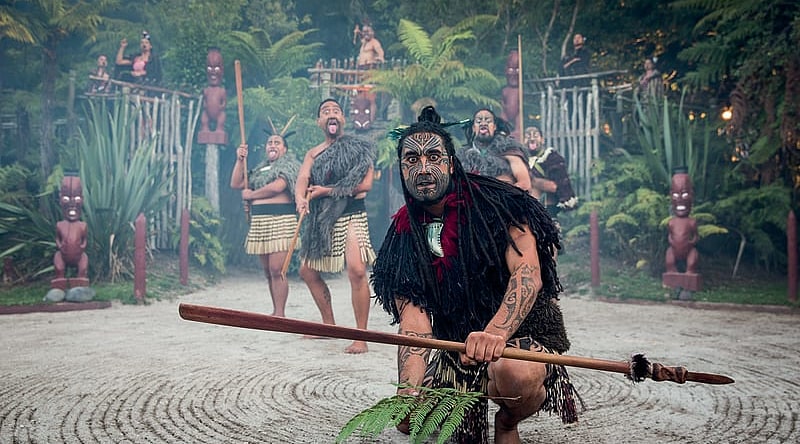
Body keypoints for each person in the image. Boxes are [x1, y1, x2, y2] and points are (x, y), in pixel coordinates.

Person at [372, 106, 581, 443]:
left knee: (514, 374)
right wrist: (407, 391)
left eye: (433, 156)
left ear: (451, 164)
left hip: (520, 337)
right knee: (409, 418)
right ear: (401, 169)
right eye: (411, 159)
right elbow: (414, 322)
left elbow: (527, 274)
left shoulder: (499, 204)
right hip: (458, 348)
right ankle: (446, 394)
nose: (423, 168)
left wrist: (495, 333)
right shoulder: (402, 233)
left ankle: (508, 421)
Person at [295, 98, 376, 354]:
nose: (331, 114)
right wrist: (300, 198)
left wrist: (326, 191)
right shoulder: (314, 153)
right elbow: (303, 178)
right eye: (325, 111)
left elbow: (365, 185)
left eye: (336, 111)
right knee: (307, 271)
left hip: (351, 214)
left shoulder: (358, 147)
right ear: (319, 122)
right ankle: (328, 324)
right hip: (323, 218)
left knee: (356, 270)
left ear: (343, 119)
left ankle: (360, 337)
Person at [231, 130, 301, 317]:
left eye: (277, 142)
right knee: (268, 271)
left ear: (285, 149)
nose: (272, 145)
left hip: (281, 221)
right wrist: (240, 160)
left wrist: (251, 195)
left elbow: (278, 187)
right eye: (270, 142)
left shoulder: (289, 166)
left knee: (278, 269)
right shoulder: (260, 169)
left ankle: (280, 313)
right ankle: (275, 311)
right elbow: (236, 183)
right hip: (260, 223)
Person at [458, 108, 532, 193]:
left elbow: (525, 184)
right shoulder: (463, 156)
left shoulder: (509, 150)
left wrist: (499, 193)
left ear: (494, 127)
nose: (483, 123)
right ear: (474, 128)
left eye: (488, 121)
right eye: (478, 121)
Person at [524, 126, 578, 215]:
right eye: (528, 136)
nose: (532, 139)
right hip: (527, 210)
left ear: (542, 140)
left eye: (536, 136)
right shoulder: (520, 159)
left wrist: (532, 180)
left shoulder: (552, 158)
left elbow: (555, 187)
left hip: (547, 209)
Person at [198, 48, 228, 145]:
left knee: (222, 117)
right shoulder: (206, 90)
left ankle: (219, 128)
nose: (213, 72)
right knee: (204, 118)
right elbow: (204, 102)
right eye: (210, 68)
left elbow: (224, 103)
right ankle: (205, 128)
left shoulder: (222, 91)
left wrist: (221, 106)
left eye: (216, 68)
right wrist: (205, 105)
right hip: (207, 113)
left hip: (219, 113)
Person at [500, 50, 521, 140]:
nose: (514, 73)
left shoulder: (520, 91)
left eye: (517, 69)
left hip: (517, 116)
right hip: (506, 115)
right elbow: (502, 105)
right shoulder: (505, 90)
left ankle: (517, 129)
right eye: (511, 69)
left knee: (519, 116)